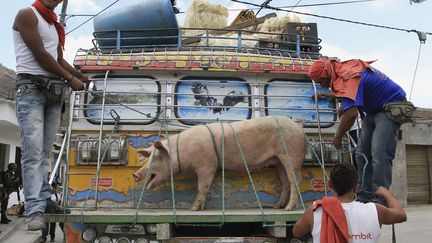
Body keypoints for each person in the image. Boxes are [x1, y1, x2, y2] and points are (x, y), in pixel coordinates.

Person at [13, 0, 88, 231]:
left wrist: (81, 76)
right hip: (31, 89)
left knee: (45, 152)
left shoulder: (53, 23)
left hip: (53, 93)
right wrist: (70, 79)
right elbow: (40, 55)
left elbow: (57, 59)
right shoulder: (27, 14)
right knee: (32, 151)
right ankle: (34, 208)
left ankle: (44, 200)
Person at [308, 58, 407, 204]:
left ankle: (381, 199)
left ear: (327, 74)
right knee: (361, 154)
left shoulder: (348, 76)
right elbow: (351, 96)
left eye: (321, 81)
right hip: (374, 109)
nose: (322, 85)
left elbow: (351, 114)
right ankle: (364, 195)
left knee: (379, 153)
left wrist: (338, 137)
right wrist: (345, 105)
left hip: (390, 106)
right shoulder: (341, 73)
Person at [292, 162, 407, 243]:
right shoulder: (375, 210)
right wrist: (386, 194)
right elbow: (401, 215)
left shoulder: (316, 211)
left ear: (330, 185)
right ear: (356, 187)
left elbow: (296, 232)